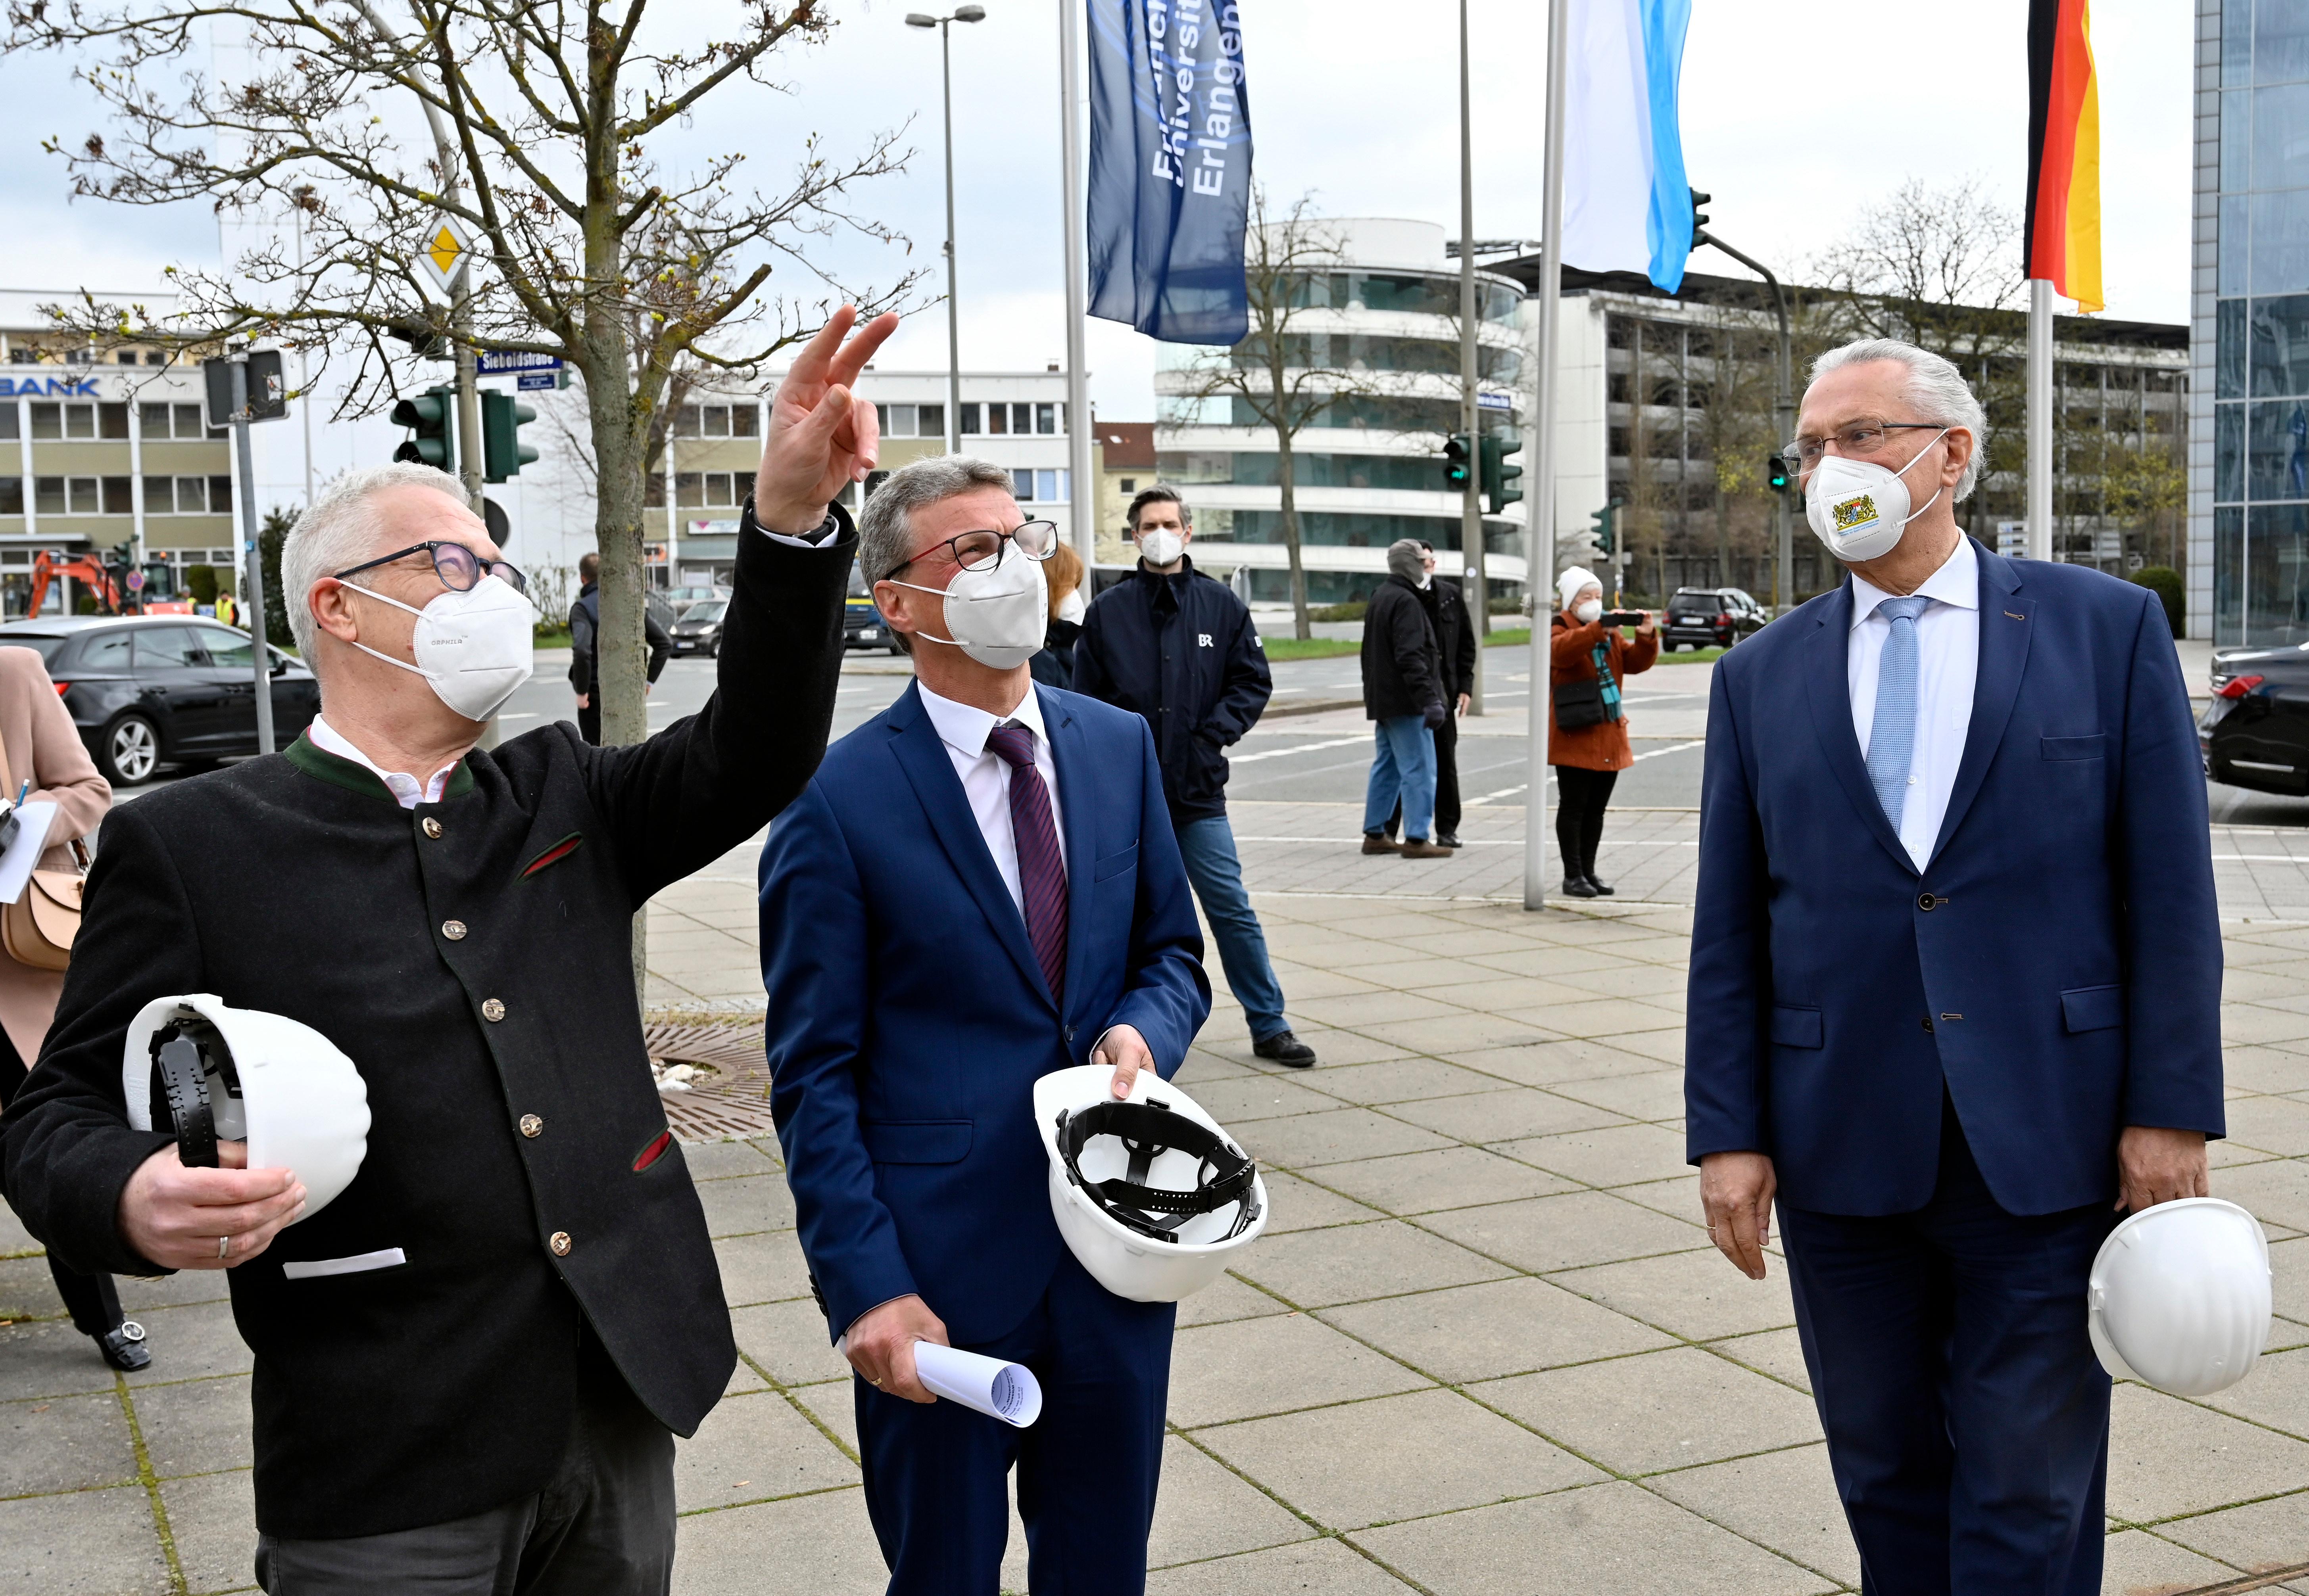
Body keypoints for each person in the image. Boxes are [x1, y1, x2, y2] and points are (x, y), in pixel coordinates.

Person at [0, 306, 893, 1592]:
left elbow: (756, 746)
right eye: (454, 564)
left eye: (501, 565)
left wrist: (793, 520)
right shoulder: (196, 845)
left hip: (620, 1393)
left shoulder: (560, 792)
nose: (498, 592)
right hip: (383, 1445)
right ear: (339, 609)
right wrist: (132, 1197)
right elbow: (55, 1116)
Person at [1685, 338, 2223, 1594]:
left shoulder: (2104, 630)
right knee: (1880, 1475)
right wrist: (1725, 1132)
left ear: (1951, 455)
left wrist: (2168, 1110)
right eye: (1811, 446)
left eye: (1861, 435)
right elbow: (1731, 931)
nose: (1829, 466)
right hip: (1837, 1144)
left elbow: (2170, 898)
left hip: (2045, 1136)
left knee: (2029, 1484)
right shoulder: (1759, 675)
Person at [761, 455, 1210, 1596]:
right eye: (972, 549)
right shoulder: (837, 803)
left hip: (1115, 1257)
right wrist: (864, 1286)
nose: (1012, 563)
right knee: (944, 1576)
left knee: (1104, 1571)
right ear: (898, 603)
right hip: (938, 1283)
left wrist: (1143, 1033)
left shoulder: (1112, 747)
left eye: (1018, 536)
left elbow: (1171, 955)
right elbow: (814, 1075)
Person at [1074, 485, 1317, 1067]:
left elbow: (1252, 681)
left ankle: (1270, 1022)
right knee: (1115, 920)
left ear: (1187, 532)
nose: (1160, 532)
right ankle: (1111, 1034)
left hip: (1197, 790)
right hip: (1126, 798)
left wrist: (1212, 734)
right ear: (1135, 535)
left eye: (1170, 522)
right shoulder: (1108, 612)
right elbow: (1081, 700)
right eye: (1148, 524)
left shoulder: (1221, 605)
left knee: (1230, 907)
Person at [0, 647, 128, 1367]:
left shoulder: (14, 674)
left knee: (44, 1146)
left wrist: (19, 823)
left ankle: (102, 1316)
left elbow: (89, 789)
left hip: (16, 964)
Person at [1549, 565, 1658, 897]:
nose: (1594, 602)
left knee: (1596, 809)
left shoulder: (1608, 632)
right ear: (1571, 600)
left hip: (1608, 729)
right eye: (1587, 597)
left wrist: (1646, 634)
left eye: (1598, 596)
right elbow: (1561, 653)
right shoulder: (1559, 626)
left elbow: (1634, 662)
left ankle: (1589, 872)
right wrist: (1597, 629)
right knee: (1574, 806)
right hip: (1575, 731)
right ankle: (1573, 875)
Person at [1358, 539, 1450, 859]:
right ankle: (1416, 837)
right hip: (1407, 702)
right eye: (1425, 562)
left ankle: (1375, 833)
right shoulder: (1407, 601)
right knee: (1420, 769)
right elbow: (1411, 656)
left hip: (1384, 701)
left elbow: (1369, 653)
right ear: (1412, 564)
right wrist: (1430, 699)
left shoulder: (1381, 596)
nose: (1428, 568)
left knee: (1387, 767)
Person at [1384, 541, 1477, 849]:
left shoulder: (1449, 596)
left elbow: (1466, 644)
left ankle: (1447, 829)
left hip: (1443, 694)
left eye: (1430, 561)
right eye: (1422, 561)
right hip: (1409, 696)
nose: (1427, 566)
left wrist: (1466, 686)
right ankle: (1390, 828)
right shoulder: (1401, 596)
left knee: (1444, 761)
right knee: (1403, 764)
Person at [569, 550, 672, 745]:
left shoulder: (582, 609)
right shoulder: (629, 605)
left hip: (596, 698)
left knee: (596, 759)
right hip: (629, 692)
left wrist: (582, 692)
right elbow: (664, 644)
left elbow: (582, 650)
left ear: (583, 578)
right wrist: (647, 682)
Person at [1028, 539, 1086, 690]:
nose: (1074, 595)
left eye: (1076, 586)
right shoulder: (1037, 658)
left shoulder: (1060, 648)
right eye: (1068, 586)